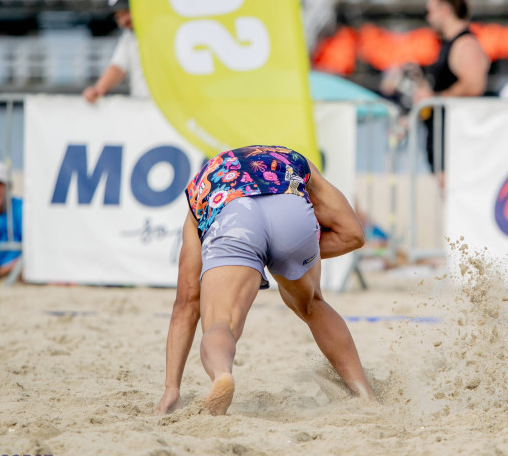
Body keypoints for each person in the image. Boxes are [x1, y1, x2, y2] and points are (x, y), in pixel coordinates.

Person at [154, 145, 375, 416]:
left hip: (233, 213)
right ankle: (366, 395)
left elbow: (186, 301)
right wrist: (285, 254)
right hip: (291, 211)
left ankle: (223, 374)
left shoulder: (202, 184)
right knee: (313, 305)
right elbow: (353, 235)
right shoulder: (293, 160)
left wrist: (171, 388)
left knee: (222, 322)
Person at [411, 0, 490, 169]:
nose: (428, 17)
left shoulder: (466, 44)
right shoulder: (450, 43)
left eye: (430, 11)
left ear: (444, 10)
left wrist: (435, 99)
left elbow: (474, 86)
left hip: (457, 141)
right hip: (445, 140)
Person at [82, 0, 148, 103]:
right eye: (118, 16)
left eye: (126, 12)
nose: (123, 21)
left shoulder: (165, 30)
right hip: (143, 103)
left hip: (169, 106)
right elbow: (118, 66)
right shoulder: (129, 37)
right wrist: (98, 89)